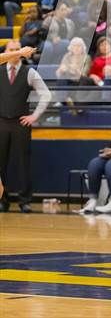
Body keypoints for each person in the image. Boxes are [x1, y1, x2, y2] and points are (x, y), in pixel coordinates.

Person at [0, 40, 51, 213]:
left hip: (20, 122)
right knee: (0, 163)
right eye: (12, 50)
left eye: (17, 49)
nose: (15, 52)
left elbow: (46, 94)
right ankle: (2, 199)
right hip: (1, 122)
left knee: (23, 162)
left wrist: (34, 116)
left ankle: (25, 200)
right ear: (6, 52)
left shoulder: (29, 72)